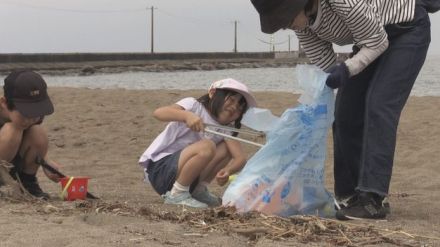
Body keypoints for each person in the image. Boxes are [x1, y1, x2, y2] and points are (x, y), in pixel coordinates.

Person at [250, 0, 438, 220]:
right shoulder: (302, 26)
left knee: (379, 105)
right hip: (368, 38)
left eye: (286, 19)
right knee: (345, 110)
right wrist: (325, 87)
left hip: (406, 29)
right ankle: (349, 196)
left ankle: (372, 198)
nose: (285, 26)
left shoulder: (341, 2)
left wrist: (346, 69)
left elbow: (377, 42)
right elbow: (326, 62)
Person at [139, 78, 257, 208]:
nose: (235, 107)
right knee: (207, 146)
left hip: (189, 179)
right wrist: (186, 116)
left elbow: (240, 158)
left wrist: (228, 170)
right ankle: (177, 194)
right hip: (161, 170)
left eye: (240, 107)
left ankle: (197, 191)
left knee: (225, 148)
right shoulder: (193, 105)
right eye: (231, 100)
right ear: (212, 93)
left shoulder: (226, 128)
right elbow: (159, 113)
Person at [0, 70, 61, 199]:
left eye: (35, 112)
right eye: (25, 113)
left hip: (11, 165)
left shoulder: (32, 119)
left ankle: (27, 184)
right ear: (4, 103)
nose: (30, 119)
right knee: (13, 129)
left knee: (37, 131)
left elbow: (33, 137)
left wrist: (46, 162)